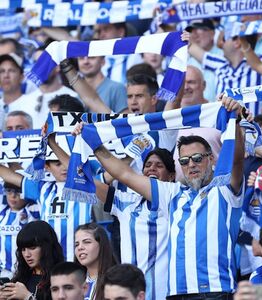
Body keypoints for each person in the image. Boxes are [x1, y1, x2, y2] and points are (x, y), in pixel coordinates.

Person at [73, 96, 246, 299]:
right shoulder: (172, 193)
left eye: (197, 159)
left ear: (212, 159)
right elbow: (124, 174)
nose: (191, 165)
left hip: (215, 292)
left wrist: (234, 120)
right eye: (184, 160)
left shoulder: (224, 190)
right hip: (175, 294)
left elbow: (236, 160)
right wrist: (93, 143)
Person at [101, 148, 175, 300]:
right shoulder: (125, 203)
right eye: (147, 165)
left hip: (164, 294)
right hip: (128, 294)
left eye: (159, 165)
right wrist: (53, 142)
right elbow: (85, 182)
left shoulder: (177, 202)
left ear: (172, 176)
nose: (152, 168)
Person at [0, 220, 64, 300]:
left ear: (47, 247)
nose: (27, 254)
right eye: (23, 249)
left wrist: (28, 297)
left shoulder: (63, 277)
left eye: (32, 248)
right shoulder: (20, 278)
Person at [0, 181, 40, 278]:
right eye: (9, 191)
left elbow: (38, 194)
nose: (13, 196)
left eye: (18, 192)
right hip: (4, 271)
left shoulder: (32, 211)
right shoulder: (2, 213)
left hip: (26, 270)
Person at [74, 222, 117, 300]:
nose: (80, 247)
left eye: (87, 242)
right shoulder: (75, 282)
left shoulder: (116, 281)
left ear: (101, 245)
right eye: (76, 244)